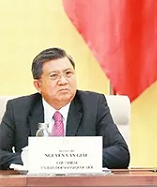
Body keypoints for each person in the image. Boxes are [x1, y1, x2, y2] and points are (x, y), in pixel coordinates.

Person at [0, 47, 130, 170]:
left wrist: (71, 159)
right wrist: (35, 159)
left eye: (68, 73)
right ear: (38, 85)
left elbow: (121, 153)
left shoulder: (94, 104)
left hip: (82, 184)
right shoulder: (18, 109)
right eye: (54, 76)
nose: (63, 81)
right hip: (35, 185)